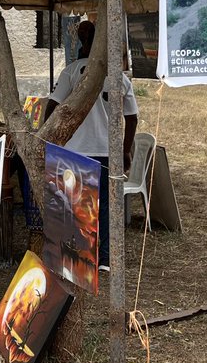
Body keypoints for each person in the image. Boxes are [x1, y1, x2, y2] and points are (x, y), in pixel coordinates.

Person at [42, 20, 137, 271]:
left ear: (82, 43)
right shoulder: (119, 77)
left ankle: (79, 257)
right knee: (105, 205)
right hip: (107, 150)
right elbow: (132, 117)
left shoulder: (72, 72)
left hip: (75, 150)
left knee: (75, 204)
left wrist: (48, 137)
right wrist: (125, 149)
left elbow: (52, 106)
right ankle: (105, 258)